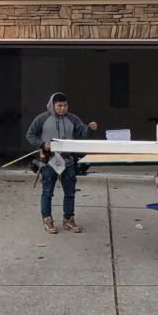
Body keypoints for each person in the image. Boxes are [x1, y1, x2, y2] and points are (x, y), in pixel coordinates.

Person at [25, 92, 98, 233]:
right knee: (47, 192)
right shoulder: (42, 119)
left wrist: (90, 128)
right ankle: (47, 220)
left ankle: (69, 219)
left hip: (68, 161)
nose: (63, 108)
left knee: (70, 192)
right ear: (52, 105)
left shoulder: (72, 119)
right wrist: (42, 144)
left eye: (65, 105)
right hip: (49, 161)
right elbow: (30, 135)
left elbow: (83, 132)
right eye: (59, 106)